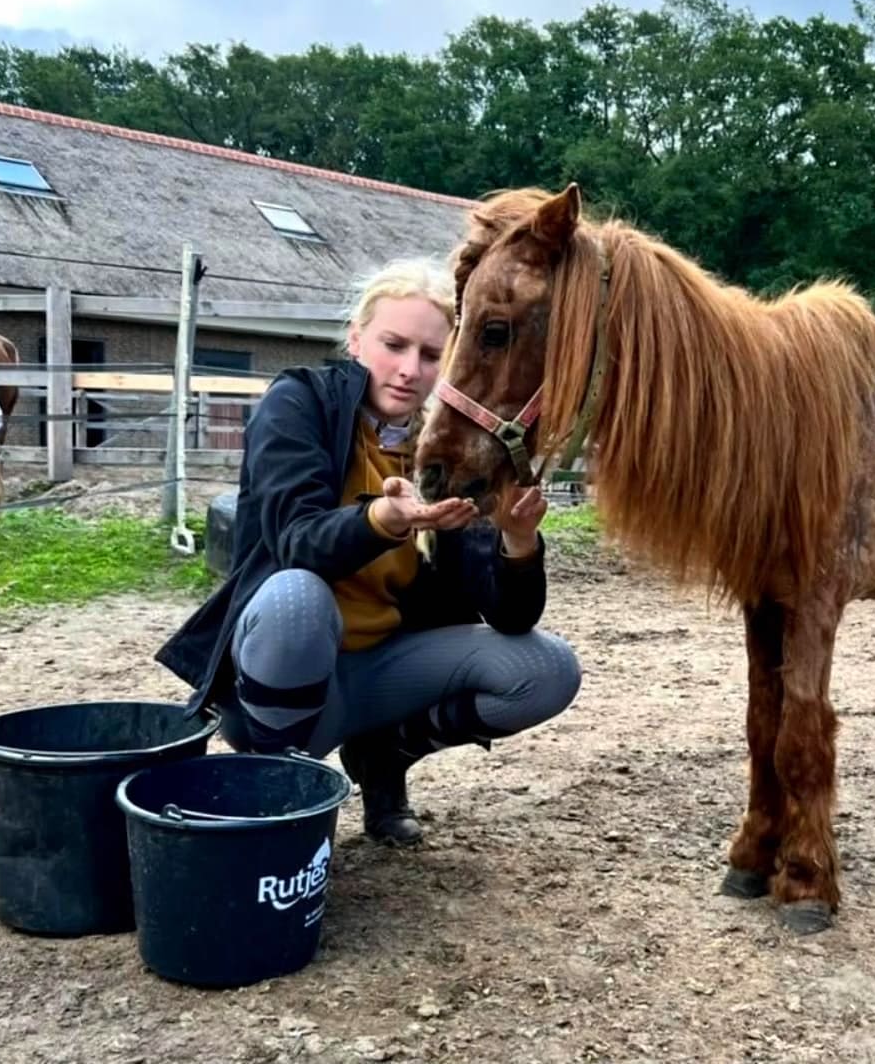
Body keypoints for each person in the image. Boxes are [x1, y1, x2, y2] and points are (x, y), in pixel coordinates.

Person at [156, 256, 582, 845]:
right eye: (393, 344)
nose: (410, 369)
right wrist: (382, 518)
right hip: (277, 680)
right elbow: (296, 543)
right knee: (296, 596)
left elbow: (508, 617)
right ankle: (283, 793)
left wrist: (517, 540)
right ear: (356, 338)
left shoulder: (443, 448)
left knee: (547, 669)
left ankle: (382, 757)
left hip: (377, 674)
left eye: (431, 355)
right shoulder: (299, 401)